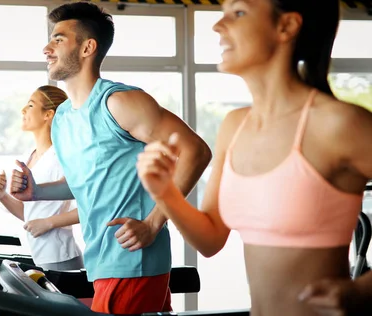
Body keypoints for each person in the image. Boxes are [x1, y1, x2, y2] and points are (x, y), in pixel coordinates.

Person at [136, 0, 372, 315]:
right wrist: (164, 192)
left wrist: (363, 290)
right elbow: (210, 239)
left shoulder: (338, 124)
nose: (218, 26)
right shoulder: (235, 125)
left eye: (239, 13)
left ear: (286, 26)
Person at [8, 2, 212, 314]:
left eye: (58, 39)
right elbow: (82, 183)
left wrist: (153, 223)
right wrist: (38, 192)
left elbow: (196, 151)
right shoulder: (63, 118)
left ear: (88, 47)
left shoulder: (119, 102)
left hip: (132, 260)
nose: (47, 48)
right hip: (100, 263)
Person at [0, 85, 84, 271]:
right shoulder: (29, 156)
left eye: (30, 105)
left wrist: (48, 223)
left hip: (60, 257)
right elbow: (30, 215)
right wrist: (1, 195)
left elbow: (88, 207)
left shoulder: (62, 157)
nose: (23, 110)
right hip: (39, 254)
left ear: (48, 115)